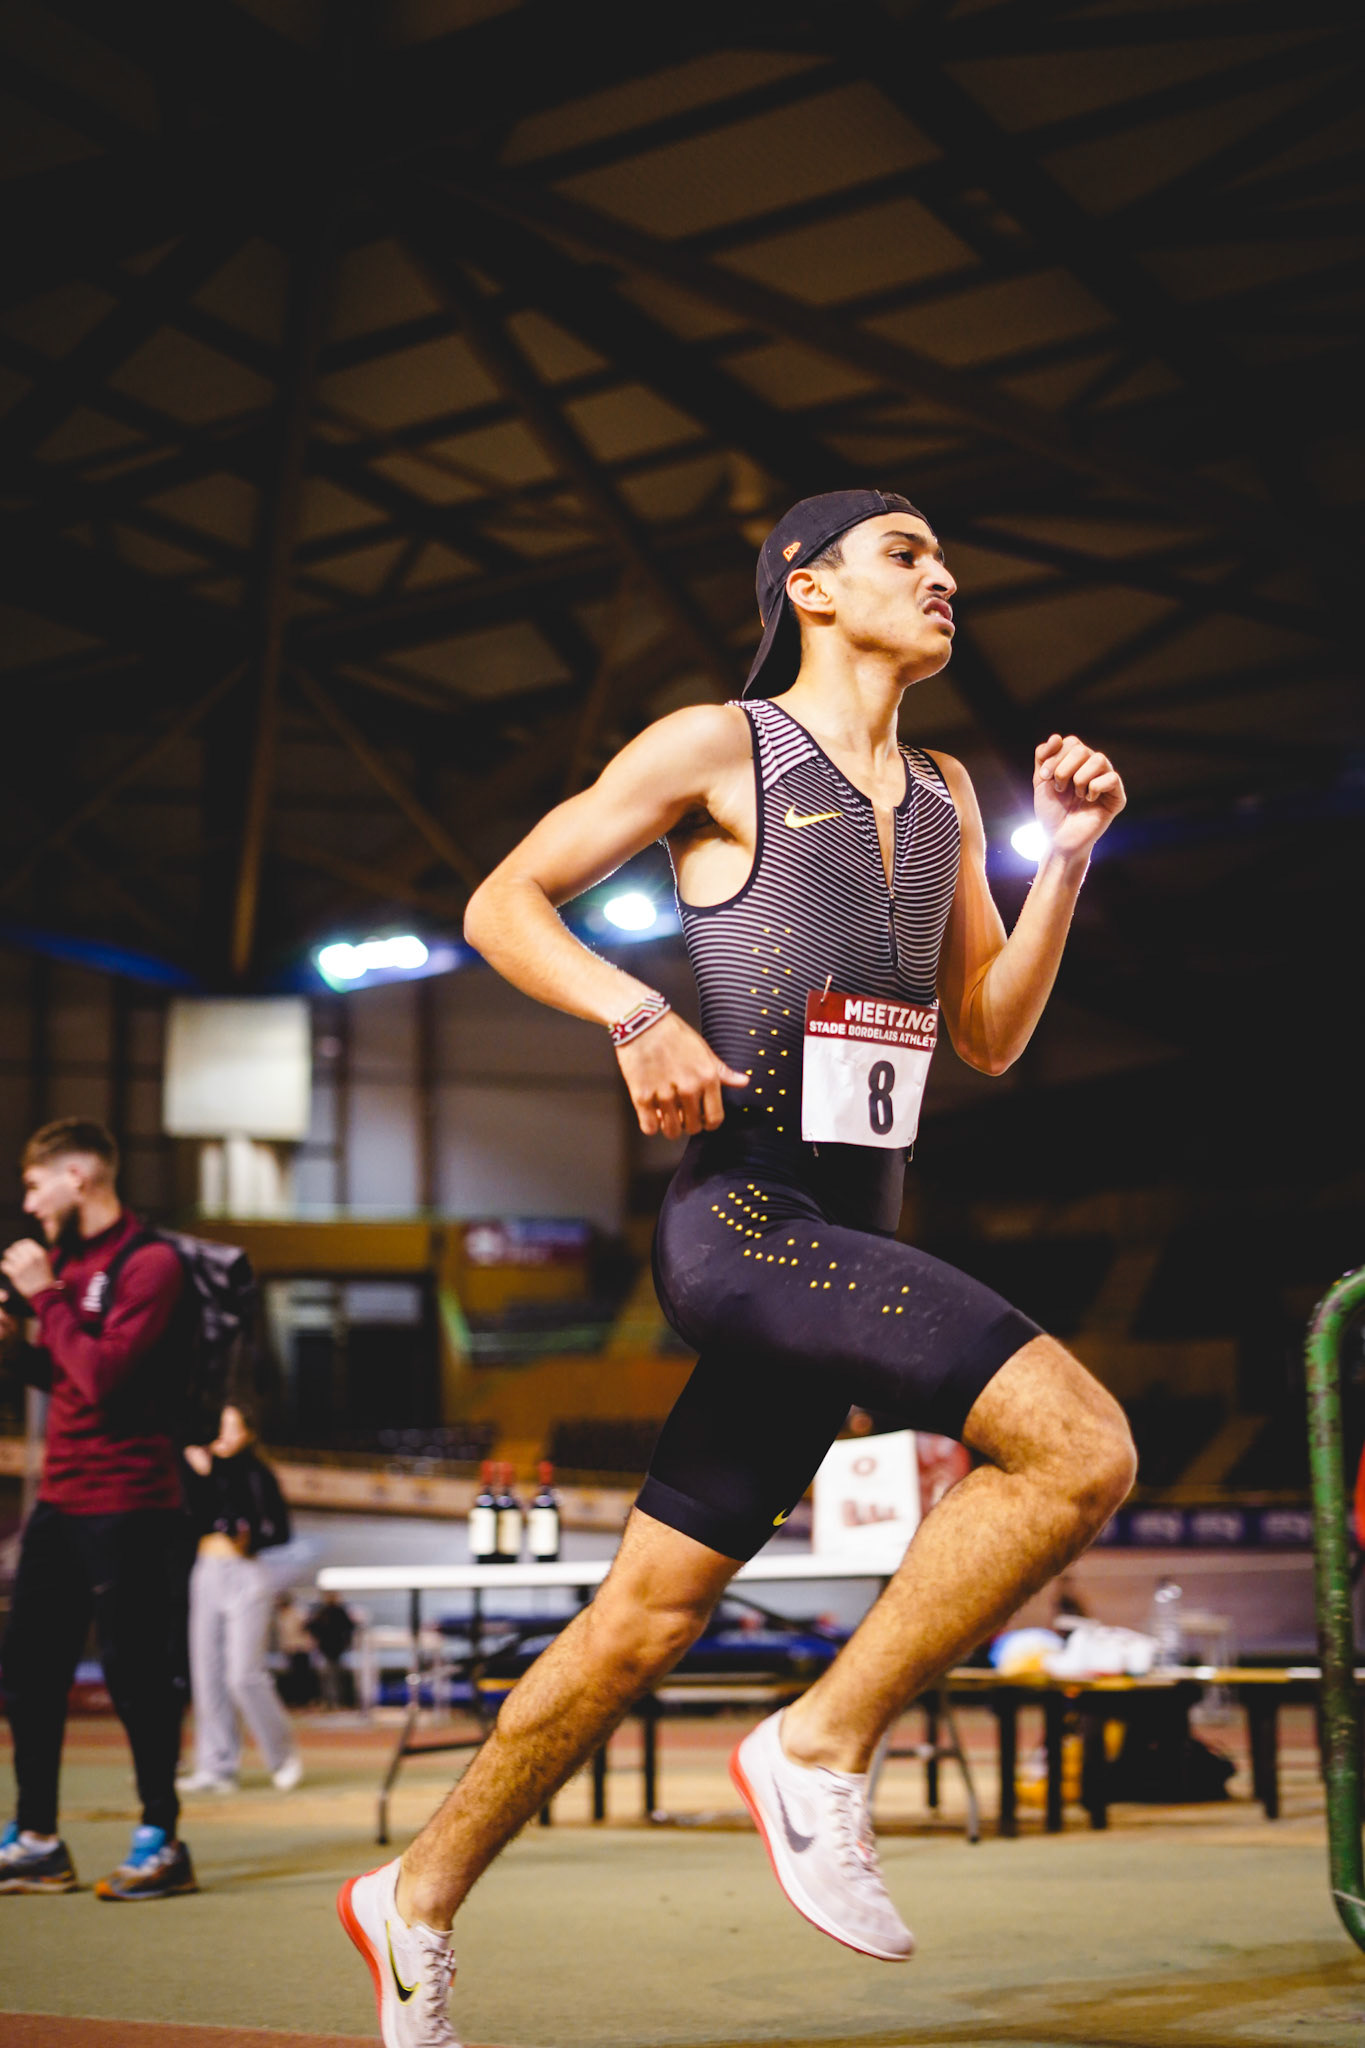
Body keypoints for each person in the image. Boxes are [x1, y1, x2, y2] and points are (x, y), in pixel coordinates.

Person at [338, 487, 1137, 2044]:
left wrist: (1074, 863)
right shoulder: (721, 746)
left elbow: (984, 1033)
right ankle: (820, 1746)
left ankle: (412, 1898)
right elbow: (499, 901)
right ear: (809, 585)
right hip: (747, 1230)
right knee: (1082, 1446)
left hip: (848, 1251)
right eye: (908, 552)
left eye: (944, 550)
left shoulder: (950, 795)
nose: (945, 573)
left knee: (640, 1620)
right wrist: (632, 1012)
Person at [0, 1117, 198, 1899]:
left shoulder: (150, 1263)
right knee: (29, 1673)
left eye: (33, 1181)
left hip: (133, 1502)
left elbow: (106, 1377)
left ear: (76, 1176)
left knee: (138, 1678)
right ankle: (39, 1837)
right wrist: (15, 1344)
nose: (27, 1199)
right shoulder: (71, 1265)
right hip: (62, 1498)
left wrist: (43, 1294)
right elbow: (65, 1377)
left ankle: (162, 1840)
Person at [176, 1402, 302, 1796]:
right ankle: (217, 1767)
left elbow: (279, 1529)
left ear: (248, 1433)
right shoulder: (198, 1469)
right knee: (206, 1673)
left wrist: (252, 1539)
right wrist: (201, 1474)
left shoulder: (256, 1473)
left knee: (243, 1675)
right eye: (220, 1427)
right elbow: (193, 1517)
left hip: (246, 1573)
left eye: (233, 1428)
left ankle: (283, 1756)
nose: (225, 1436)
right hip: (206, 1570)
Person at [307, 1591, 357, 1710]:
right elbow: (311, 1626)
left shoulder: (338, 1611)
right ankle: (330, 1700)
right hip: (325, 1648)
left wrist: (346, 1642)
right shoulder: (322, 1612)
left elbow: (349, 1627)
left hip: (336, 1648)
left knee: (334, 1675)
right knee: (327, 1675)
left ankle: (336, 1700)